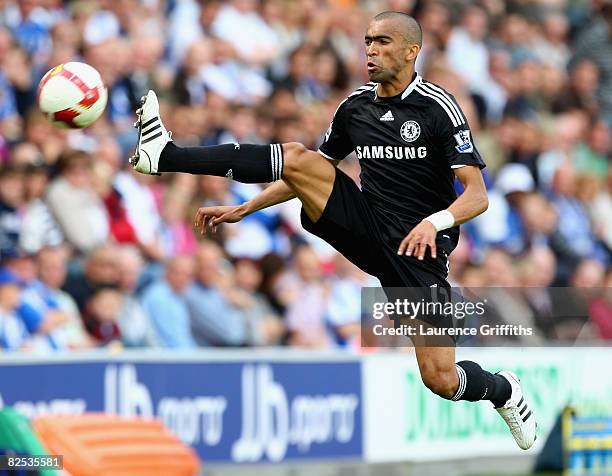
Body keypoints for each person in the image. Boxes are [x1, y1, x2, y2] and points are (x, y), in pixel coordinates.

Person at [129, 11, 536, 449]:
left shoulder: (438, 108)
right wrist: (247, 206)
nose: (371, 51)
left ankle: (503, 390)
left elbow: (477, 195)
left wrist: (433, 222)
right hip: (365, 224)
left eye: (382, 42)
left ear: (411, 51)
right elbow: (308, 171)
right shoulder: (354, 107)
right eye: (367, 42)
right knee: (299, 155)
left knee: (440, 379)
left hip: (419, 254)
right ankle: (165, 155)